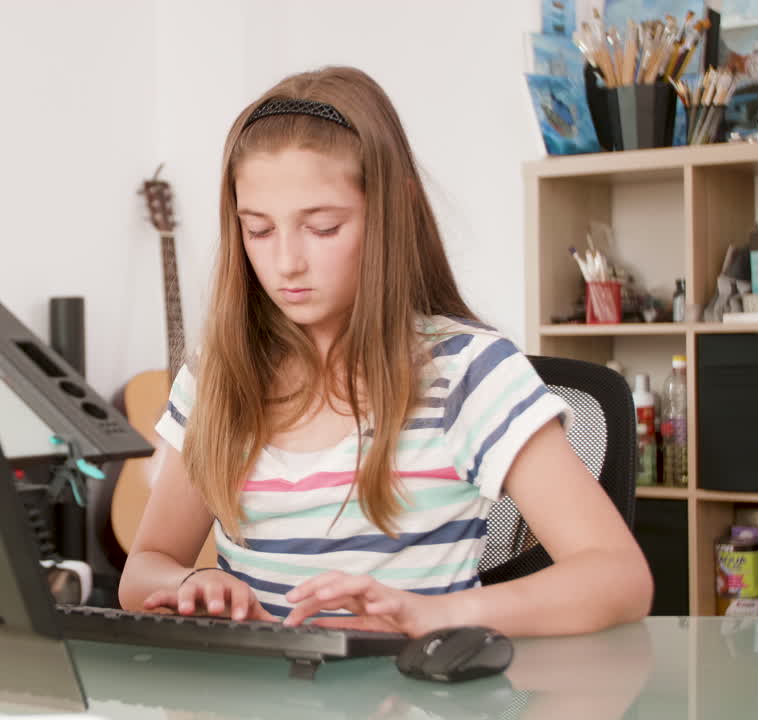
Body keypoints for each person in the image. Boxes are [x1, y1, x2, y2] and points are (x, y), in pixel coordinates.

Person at [117, 66, 652, 637]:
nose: (286, 262)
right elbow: (142, 571)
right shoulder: (218, 376)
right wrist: (184, 585)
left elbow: (619, 578)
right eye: (259, 230)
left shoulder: (468, 374)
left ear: (391, 210)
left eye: (322, 228)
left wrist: (435, 616)